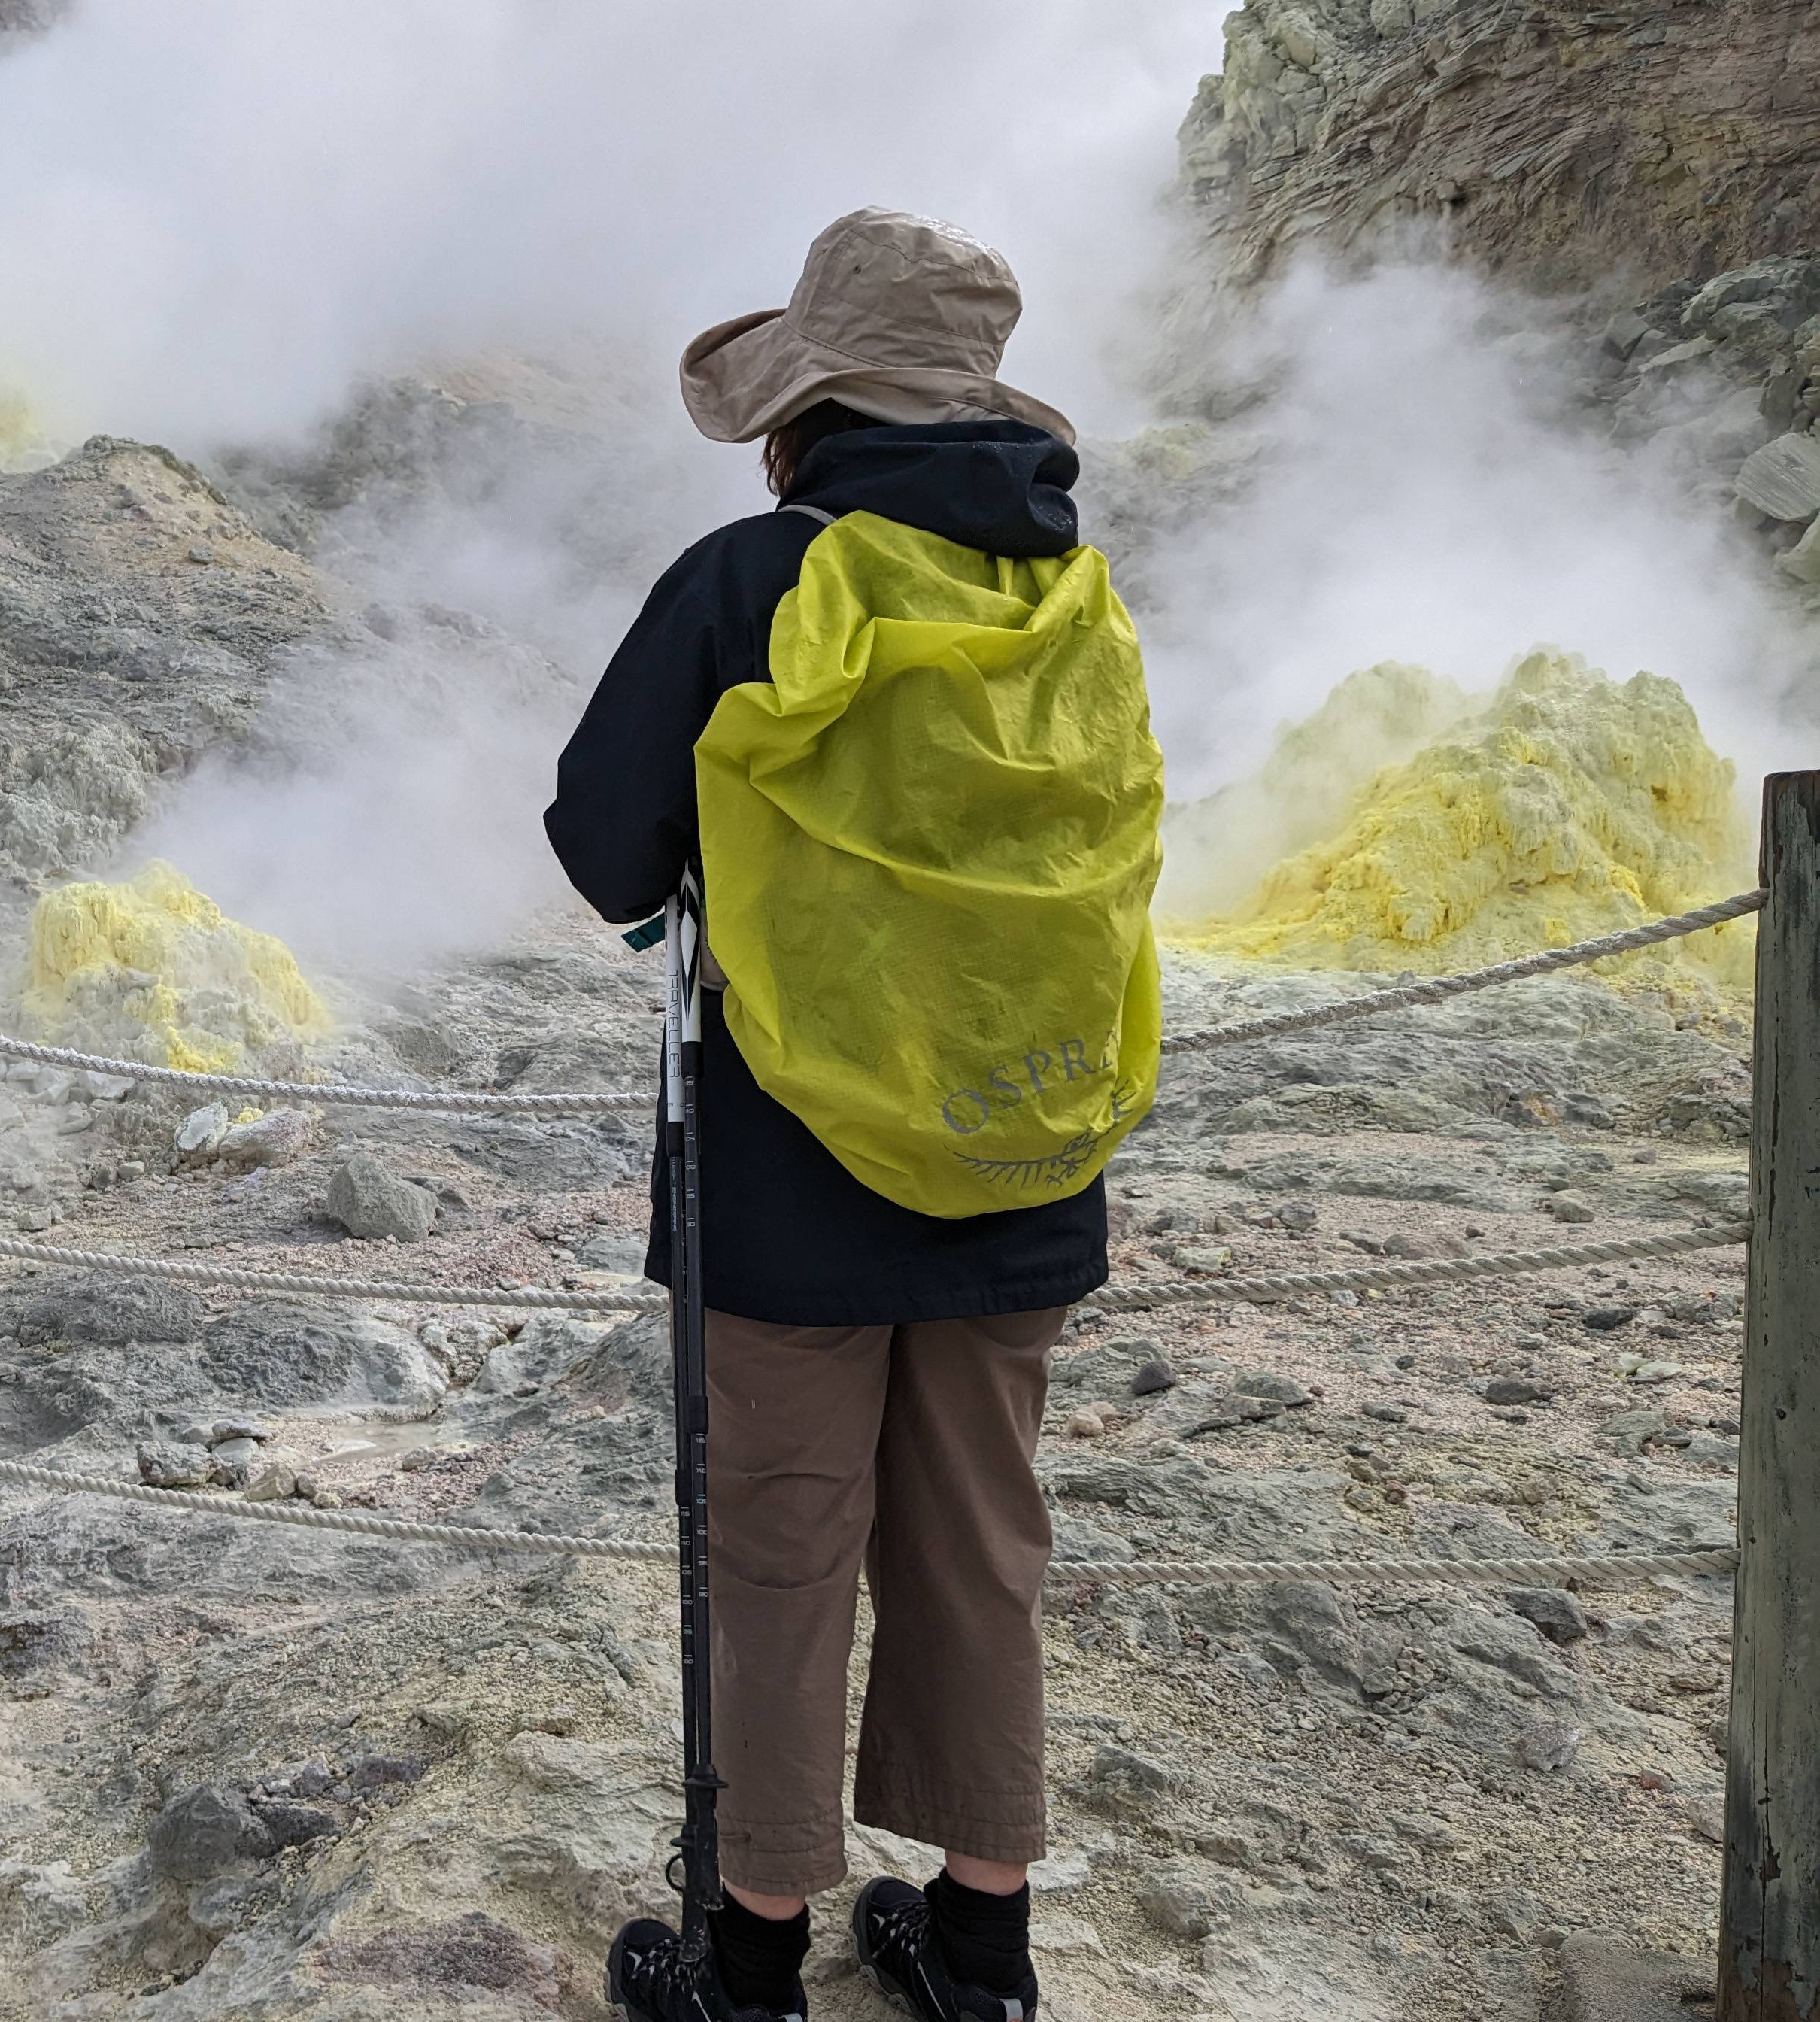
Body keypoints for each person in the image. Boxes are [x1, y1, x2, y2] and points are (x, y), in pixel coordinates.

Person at [545, 209, 1164, 2022]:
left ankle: (753, 1966)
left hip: (791, 1172)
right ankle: (983, 1952)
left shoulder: (756, 580)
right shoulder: (1073, 593)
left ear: (805, 412)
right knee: (982, 1546)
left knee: (785, 1551)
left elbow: (601, 843)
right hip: (1025, 1145)